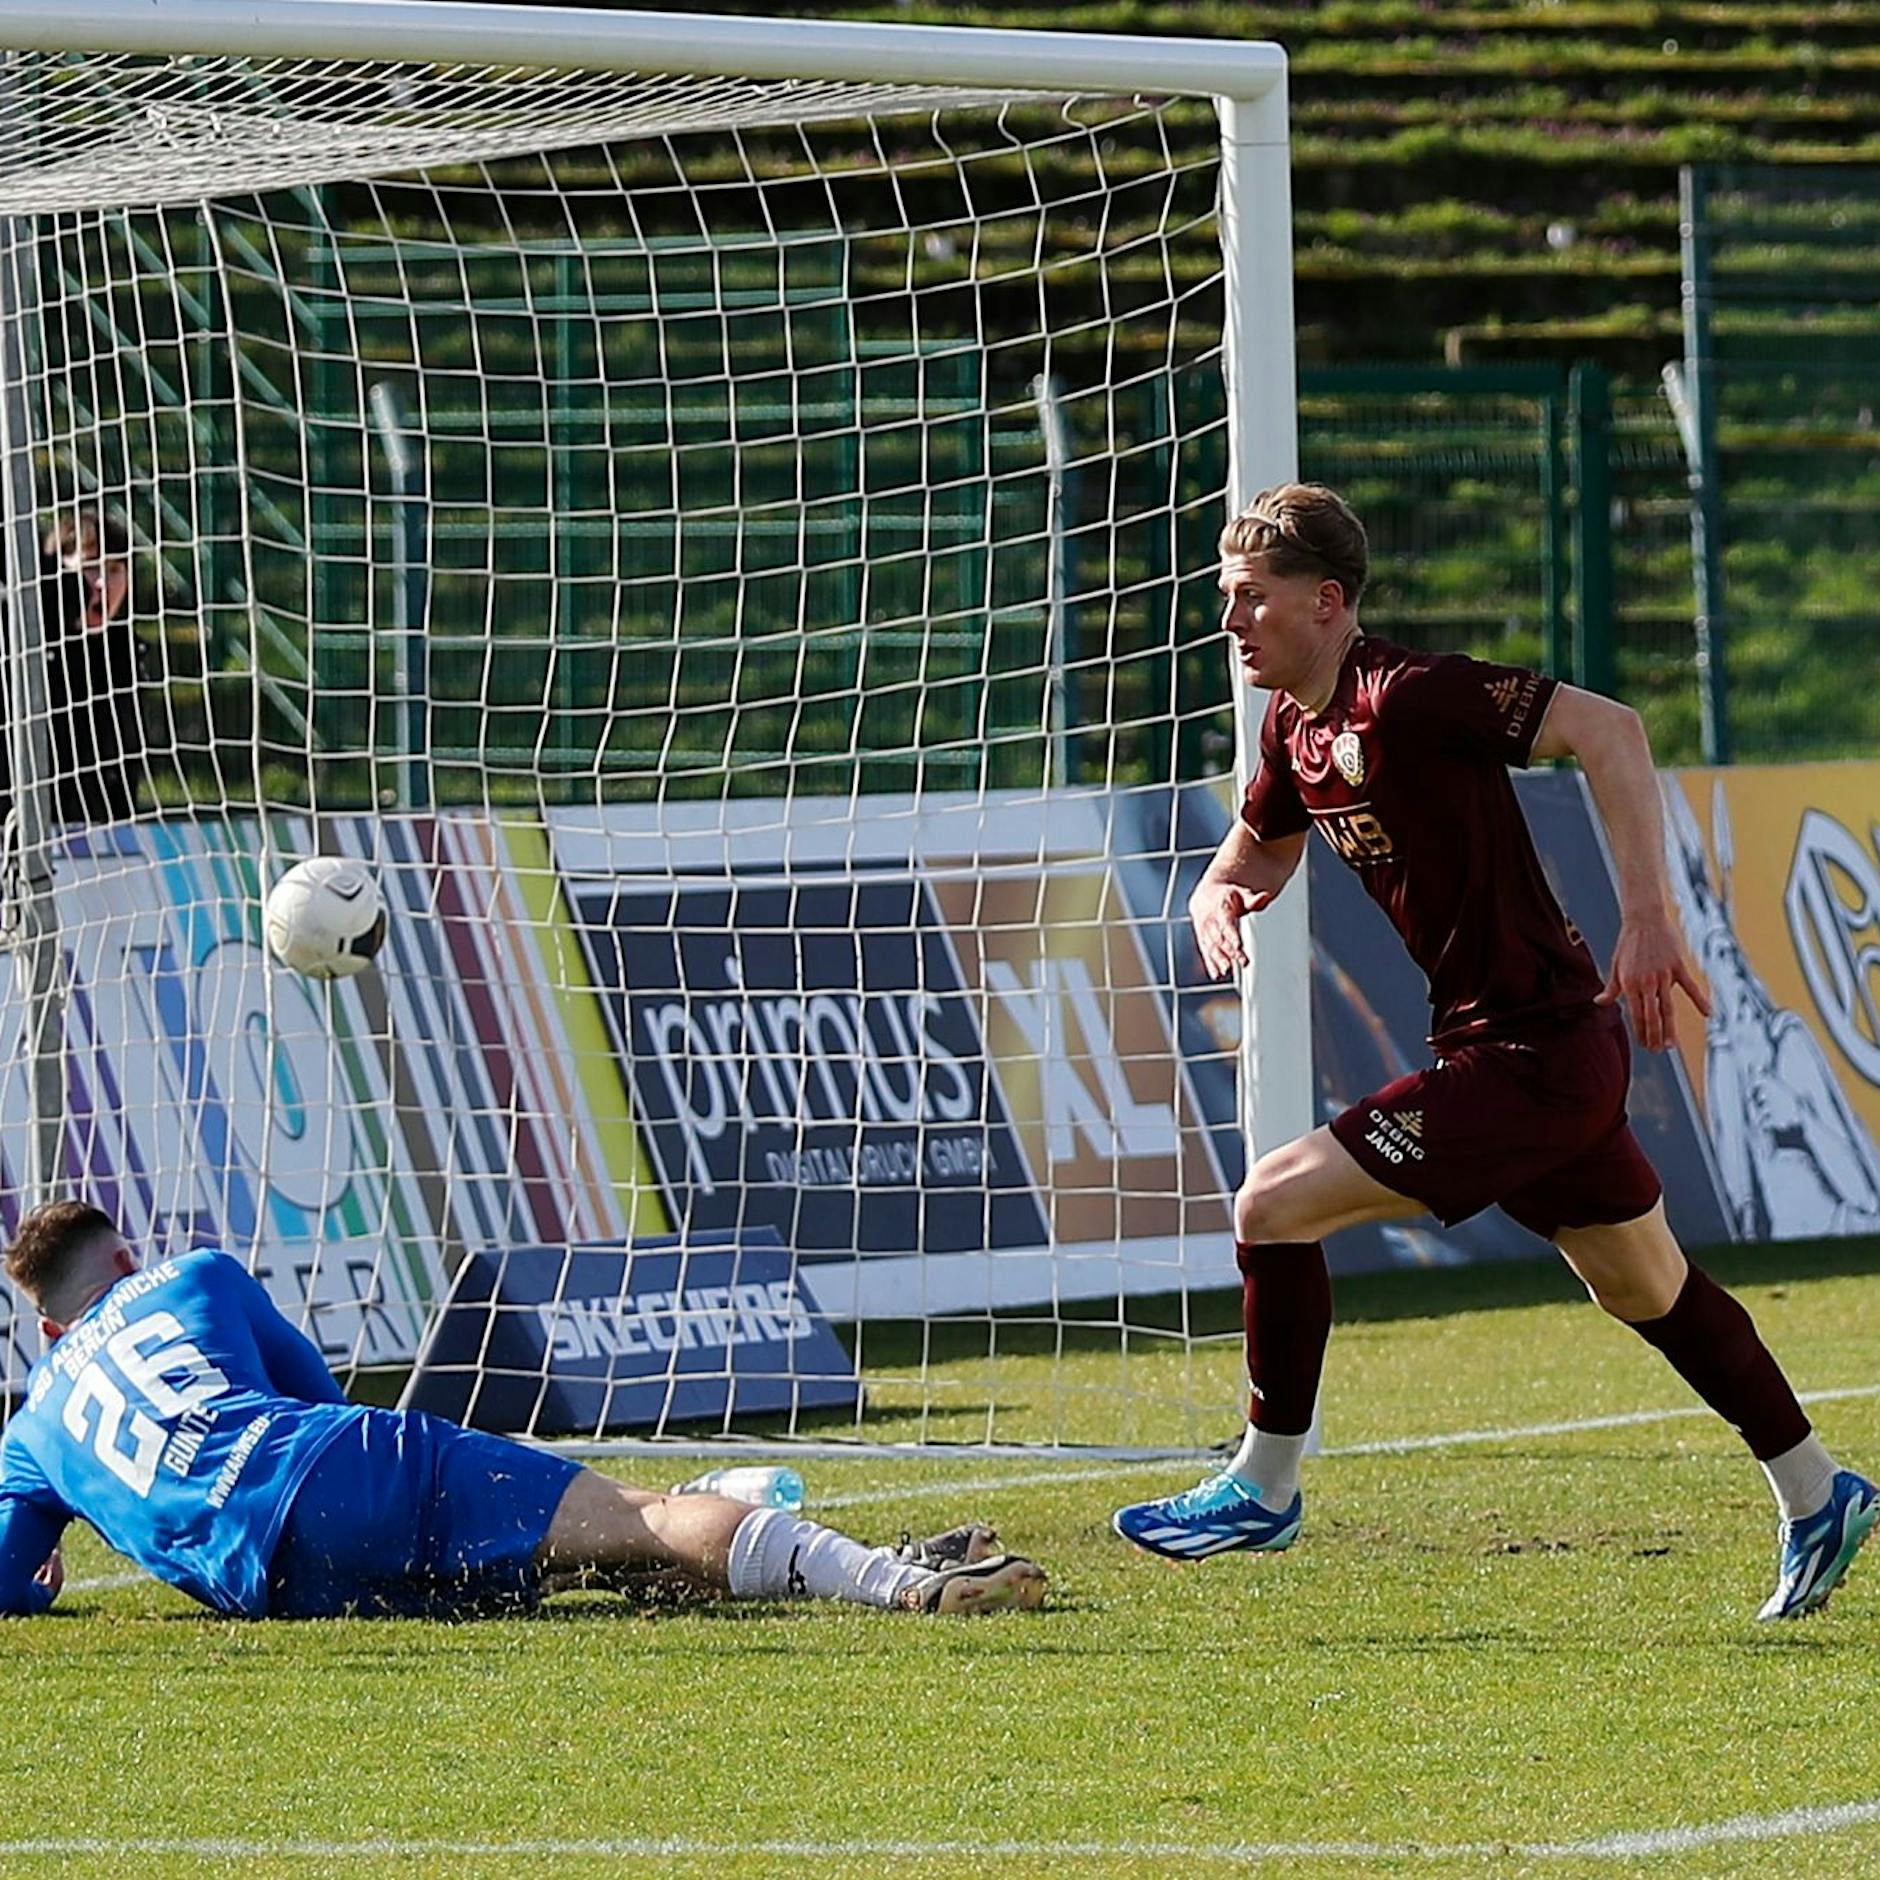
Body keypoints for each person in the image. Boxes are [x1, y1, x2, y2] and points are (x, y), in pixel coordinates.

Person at [1111, 483, 1877, 1621]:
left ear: (1324, 603)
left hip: (1529, 1054)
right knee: (1643, 1283)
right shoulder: (1294, 729)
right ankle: (1817, 1491)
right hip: (1530, 1050)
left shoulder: (1409, 694)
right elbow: (1250, 854)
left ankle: (1263, 1485)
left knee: (1270, 1201)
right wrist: (1213, 900)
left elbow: (1607, 727)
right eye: (1225, 599)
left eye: (1248, 599)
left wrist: (1649, 917)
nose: (1229, 622)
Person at [0, 1201, 1046, 1621]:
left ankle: (790, 1550)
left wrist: (45, 1581)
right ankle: (894, 1579)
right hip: (333, 1471)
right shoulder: (195, 1276)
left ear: (47, 1327)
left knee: (594, 1567)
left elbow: (8, 1579)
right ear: (126, 1258)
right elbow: (317, 1401)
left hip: (272, 1587)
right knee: (631, 1521)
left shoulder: (33, 1423)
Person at [42, 508, 145, 826]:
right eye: (89, 568)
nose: (102, 583)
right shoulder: (32, 657)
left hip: (105, 841)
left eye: (114, 569)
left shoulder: (128, 654)